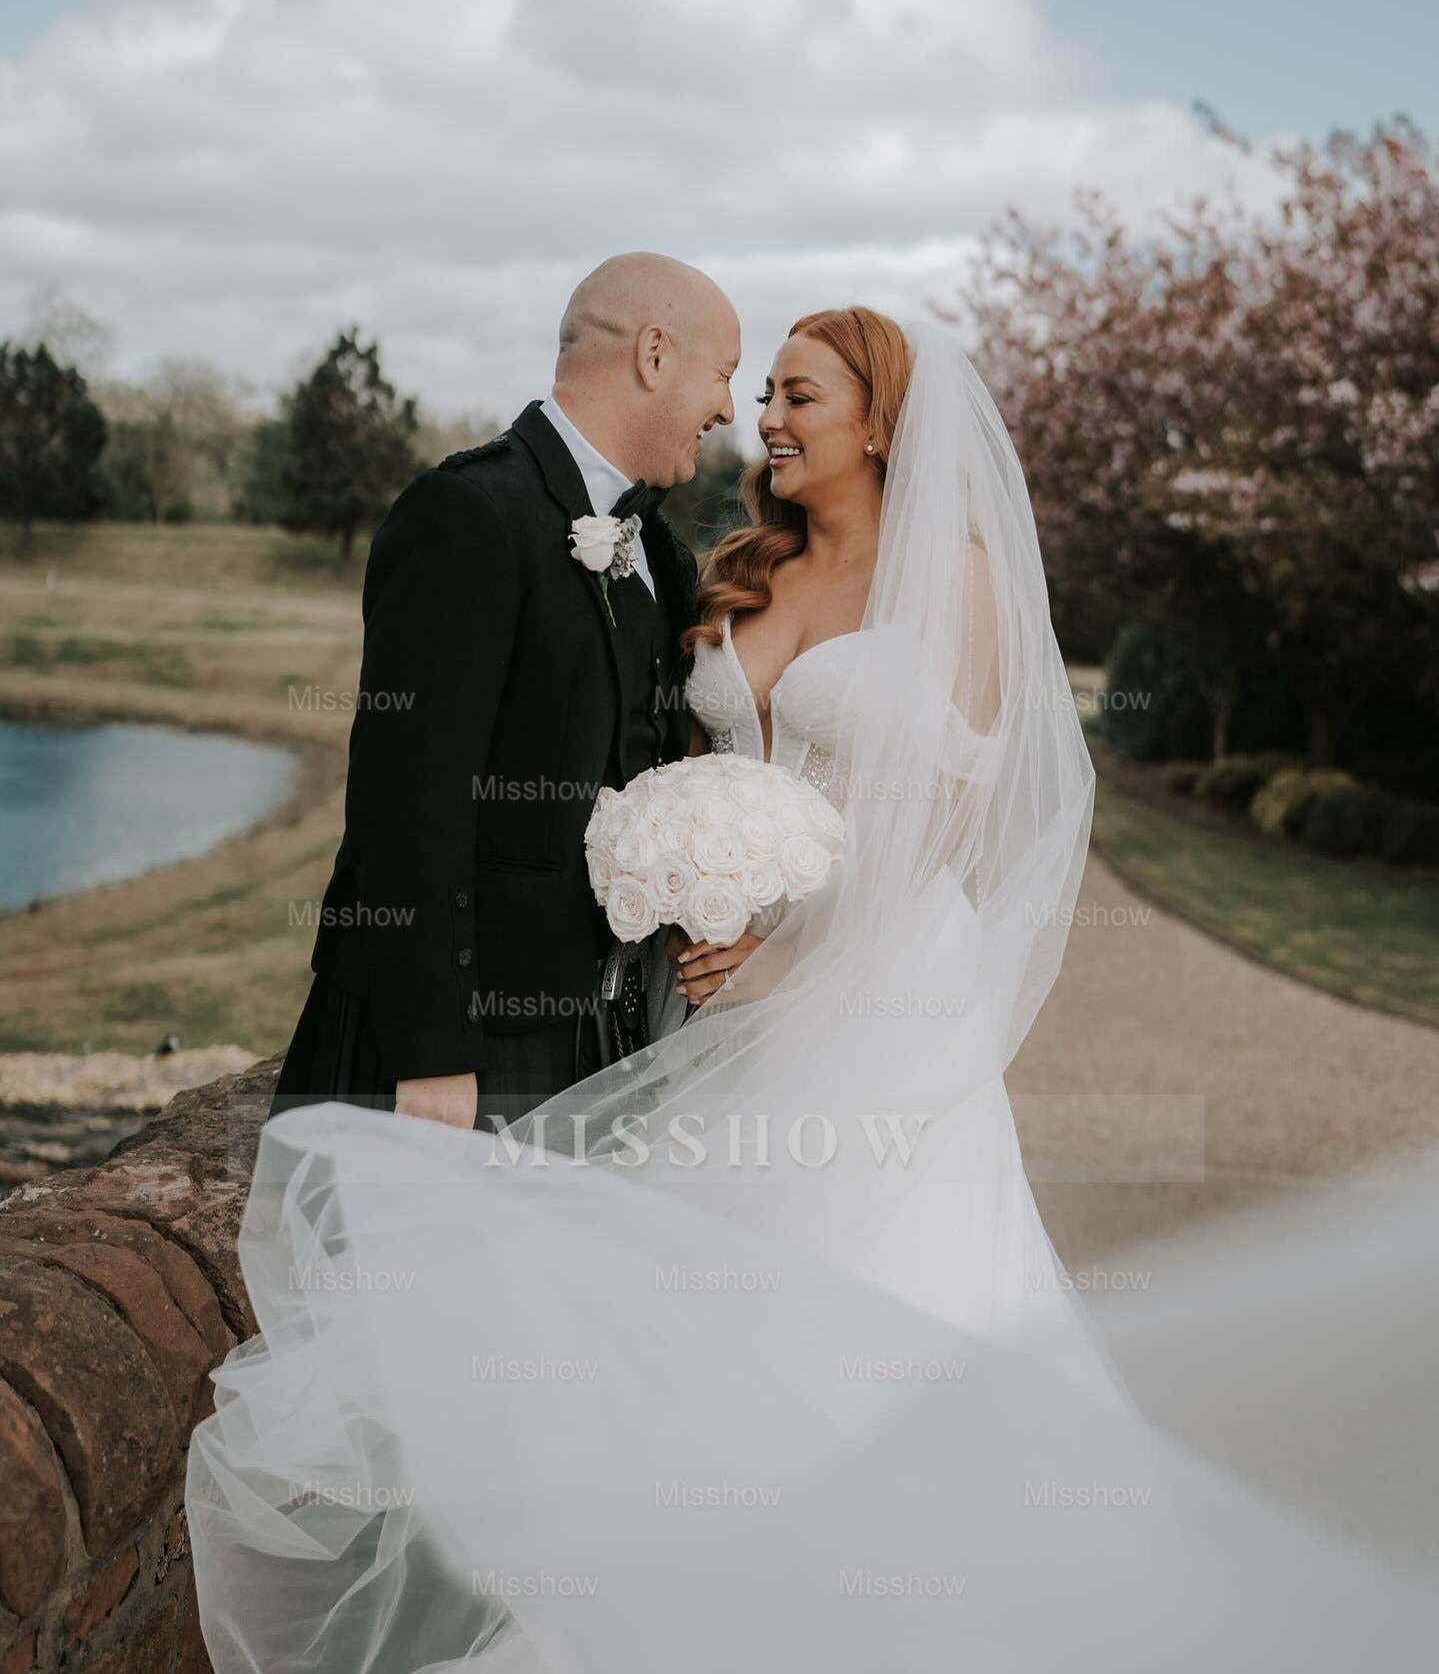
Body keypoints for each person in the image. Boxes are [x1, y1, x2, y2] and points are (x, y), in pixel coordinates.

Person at [189, 310, 1437, 1671]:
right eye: (761, 392)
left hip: (879, 988)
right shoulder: (722, 569)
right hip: (709, 994)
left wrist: (795, 949)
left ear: (880, 420)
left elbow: (952, 820)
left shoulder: (951, 576)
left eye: (797, 393)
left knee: (845, 1272)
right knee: (683, 1285)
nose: (765, 416)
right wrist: (680, 890)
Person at [268, 251, 741, 1129]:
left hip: (595, 1034)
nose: (724, 407)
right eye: (722, 375)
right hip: (463, 1045)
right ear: (652, 354)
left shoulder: (662, 555)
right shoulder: (467, 513)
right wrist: (432, 1055)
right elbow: (407, 801)